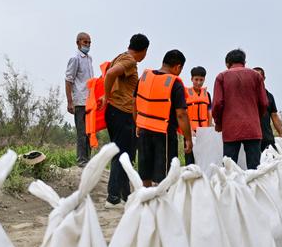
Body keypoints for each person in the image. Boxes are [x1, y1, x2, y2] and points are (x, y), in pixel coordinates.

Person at [103, 33, 149, 208]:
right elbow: (110, 73)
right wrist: (107, 97)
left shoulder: (120, 57)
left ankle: (124, 196)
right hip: (121, 112)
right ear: (144, 50)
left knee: (126, 155)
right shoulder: (129, 61)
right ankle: (113, 197)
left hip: (116, 112)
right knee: (122, 154)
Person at [135, 50, 193, 187]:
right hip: (164, 134)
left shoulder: (144, 79)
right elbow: (181, 114)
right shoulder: (175, 84)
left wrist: (138, 124)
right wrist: (188, 138)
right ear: (178, 67)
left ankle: (146, 203)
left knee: (145, 173)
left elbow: (134, 103)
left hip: (143, 130)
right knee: (166, 175)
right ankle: (163, 204)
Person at [212, 49, 269, 170]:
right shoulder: (256, 76)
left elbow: (217, 104)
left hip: (231, 128)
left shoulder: (221, 77)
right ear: (244, 62)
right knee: (254, 170)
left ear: (227, 63)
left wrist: (218, 123)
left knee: (229, 170)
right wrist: (255, 117)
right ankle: (254, 189)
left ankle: (230, 189)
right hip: (253, 128)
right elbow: (264, 103)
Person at [65, 32, 94, 167]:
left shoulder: (89, 59)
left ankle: (87, 159)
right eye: (85, 42)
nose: (87, 45)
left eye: (89, 42)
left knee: (89, 131)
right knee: (81, 132)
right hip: (80, 100)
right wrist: (70, 101)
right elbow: (68, 80)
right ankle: (81, 160)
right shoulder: (75, 58)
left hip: (89, 101)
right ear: (78, 43)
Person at [183, 66, 211, 165]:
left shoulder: (207, 94)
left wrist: (209, 129)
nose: (198, 82)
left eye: (201, 80)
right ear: (191, 79)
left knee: (204, 158)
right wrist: (189, 130)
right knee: (190, 159)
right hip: (190, 131)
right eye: (196, 79)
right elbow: (183, 113)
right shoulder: (185, 94)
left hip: (204, 131)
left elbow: (209, 112)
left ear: (204, 79)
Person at [253, 67, 282, 153]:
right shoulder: (246, 96)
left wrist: (281, 134)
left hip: (266, 138)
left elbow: (274, 116)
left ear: (264, 78)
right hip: (250, 139)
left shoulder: (269, 96)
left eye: (259, 77)